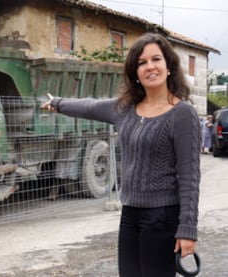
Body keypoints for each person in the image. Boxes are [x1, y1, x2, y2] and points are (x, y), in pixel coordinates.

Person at [42, 32, 201, 277]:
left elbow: (190, 176)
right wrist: (58, 103)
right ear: (135, 72)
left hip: (162, 217)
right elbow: (89, 106)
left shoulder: (182, 113)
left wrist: (187, 228)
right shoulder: (125, 108)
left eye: (156, 59)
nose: (150, 67)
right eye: (141, 62)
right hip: (130, 214)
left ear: (168, 65)